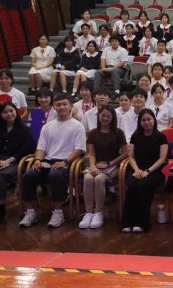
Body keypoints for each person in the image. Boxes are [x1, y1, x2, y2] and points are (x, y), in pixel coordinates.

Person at [18, 93, 86, 229]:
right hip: (48, 161)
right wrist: (38, 160)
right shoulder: (47, 126)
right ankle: (31, 212)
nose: (61, 107)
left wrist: (65, 162)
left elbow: (79, 149)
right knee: (28, 175)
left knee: (55, 175)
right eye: (58, 105)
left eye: (64, 104)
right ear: (54, 107)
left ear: (70, 106)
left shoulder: (78, 126)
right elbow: (41, 148)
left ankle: (58, 212)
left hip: (67, 162)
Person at [79, 104, 127, 230]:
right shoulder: (93, 133)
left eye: (108, 116)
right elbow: (91, 153)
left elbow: (125, 153)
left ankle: (98, 212)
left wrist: (110, 164)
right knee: (88, 178)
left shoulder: (118, 133)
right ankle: (89, 212)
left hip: (112, 165)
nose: (105, 118)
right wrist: (93, 166)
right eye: (103, 115)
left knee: (99, 179)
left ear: (112, 118)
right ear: (98, 116)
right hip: (96, 164)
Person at [120, 109, 168, 234]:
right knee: (132, 184)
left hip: (155, 170)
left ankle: (142, 222)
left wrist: (148, 171)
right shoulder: (135, 136)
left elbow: (162, 159)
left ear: (154, 120)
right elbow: (131, 156)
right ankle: (127, 222)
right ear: (140, 122)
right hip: (137, 168)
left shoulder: (161, 137)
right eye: (143, 120)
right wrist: (136, 170)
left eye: (149, 119)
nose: (146, 122)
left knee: (143, 185)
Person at [0, 101, 34, 220]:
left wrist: (9, 160)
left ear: (16, 111)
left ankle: (1, 205)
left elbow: (27, 149)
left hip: (17, 161)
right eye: (5, 112)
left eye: (11, 111)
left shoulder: (24, 130)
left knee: (0, 175)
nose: (9, 114)